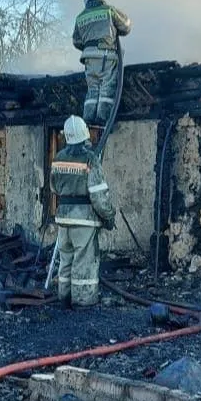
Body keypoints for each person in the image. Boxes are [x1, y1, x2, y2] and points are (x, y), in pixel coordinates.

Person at [50, 115, 117, 308]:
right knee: (84, 261)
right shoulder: (90, 159)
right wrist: (109, 217)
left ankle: (64, 297)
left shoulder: (58, 158)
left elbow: (54, 188)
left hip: (63, 219)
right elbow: (99, 196)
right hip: (84, 221)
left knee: (66, 259)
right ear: (84, 134)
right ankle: (82, 301)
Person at [72, 0, 131, 140]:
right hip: (106, 56)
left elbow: (76, 41)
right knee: (106, 87)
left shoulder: (80, 17)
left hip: (89, 59)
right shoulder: (109, 11)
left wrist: (89, 44)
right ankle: (103, 120)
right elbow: (126, 26)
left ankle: (89, 121)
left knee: (92, 90)